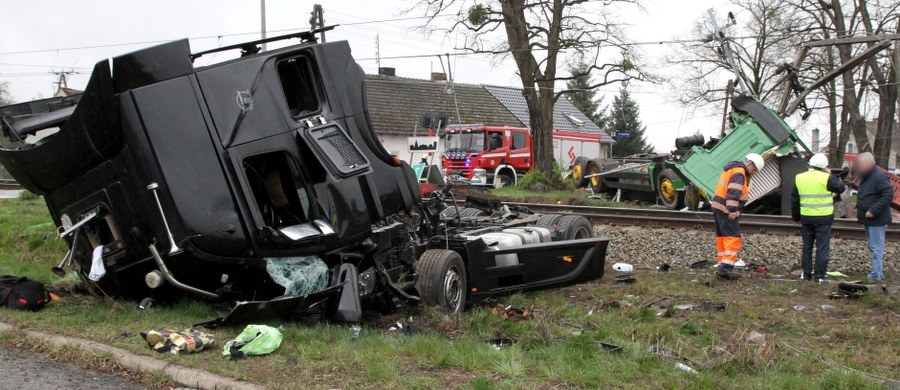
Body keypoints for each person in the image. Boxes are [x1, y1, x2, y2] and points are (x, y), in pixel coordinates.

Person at [791, 153, 846, 283]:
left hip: (806, 218)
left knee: (807, 247)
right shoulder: (827, 178)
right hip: (823, 218)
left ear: (811, 164)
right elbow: (841, 188)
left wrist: (796, 217)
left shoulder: (799, 177)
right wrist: (831, 174)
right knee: (822, 247)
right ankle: (820, 276)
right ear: (824, 167)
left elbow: (794, 199)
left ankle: (806, 274)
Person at [711, 153, 764, 279]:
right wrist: (733, 210)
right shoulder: (739, 173)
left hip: (718, 207)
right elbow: (733, 192)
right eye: (755, 169)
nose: (754, 172)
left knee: (722, 237)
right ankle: (726, 268)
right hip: (726, 209)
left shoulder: (732, 169)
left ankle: (722, 264)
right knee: (733, 237)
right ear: (750, 164)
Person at [852, 152, 894, 282]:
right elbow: (870, 194)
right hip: (869, 218)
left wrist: (873, 211)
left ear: (868, 164)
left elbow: (888, 195)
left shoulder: (878, 177)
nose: (858, 167)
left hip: (876, 219)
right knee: (873, 246)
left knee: (876, 247)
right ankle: (877, 273)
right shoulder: (867, 175)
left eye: (860, 165)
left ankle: (876, 275)